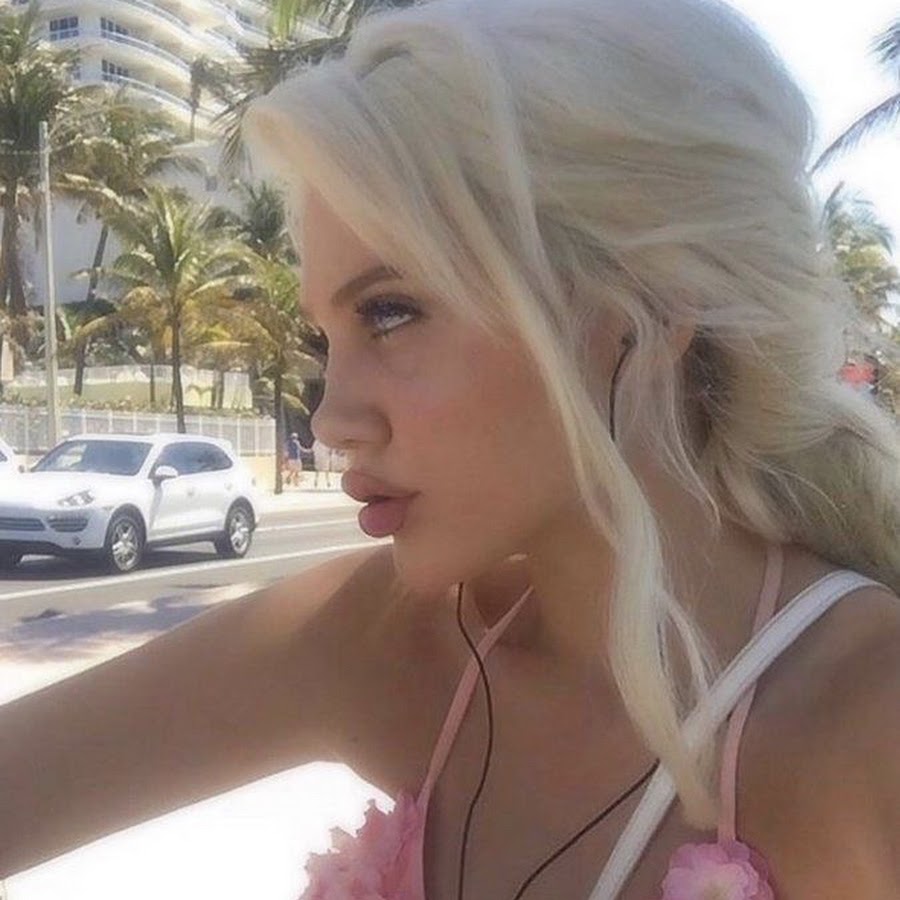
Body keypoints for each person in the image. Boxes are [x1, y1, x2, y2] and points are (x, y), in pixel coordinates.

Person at [2, 0, 899, 897]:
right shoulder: (383, 640)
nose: (330, 419)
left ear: (650, 312)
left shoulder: (867, 727)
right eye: (325, 339)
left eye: (390, 312)